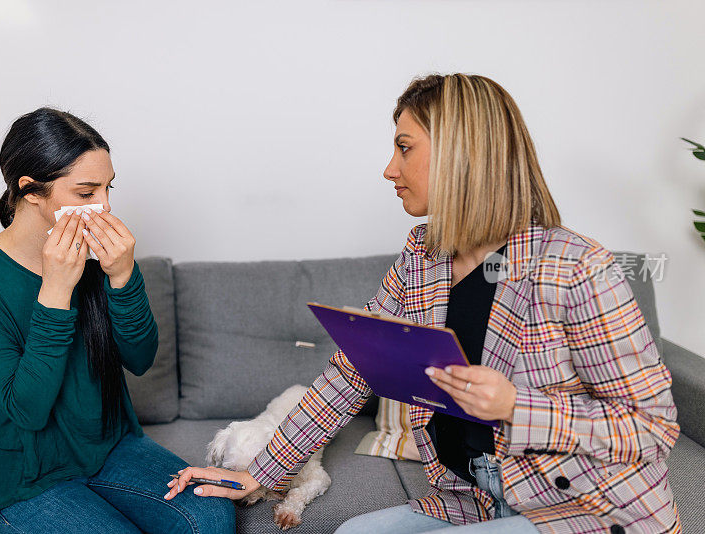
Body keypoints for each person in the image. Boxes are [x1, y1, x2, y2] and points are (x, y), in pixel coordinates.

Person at [166, 74, 680, 534]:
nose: (389, 169)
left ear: (463, 152)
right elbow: (352, 374)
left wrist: (514, 408)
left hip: (583, 506)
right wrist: (254, 473)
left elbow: (652, 427)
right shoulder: (422, 256)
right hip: (472, 500)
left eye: (404, 147)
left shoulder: (577, 266)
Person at [0, 108, 235, 534]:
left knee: (210, 517)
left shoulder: (100, 255)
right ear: (31, 190)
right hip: (27, 480)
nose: (105, 207)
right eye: (86, 192)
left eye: (108, 189)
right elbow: (27, 409)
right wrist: (56, 290)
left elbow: (141, 357)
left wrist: (123, 276)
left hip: (113, 447)